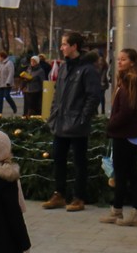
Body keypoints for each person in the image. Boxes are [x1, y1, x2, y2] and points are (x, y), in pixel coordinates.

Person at [43, 32, 101, 212]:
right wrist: (53, 113)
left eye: (64, 44)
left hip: (77, 123)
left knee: (79, 161)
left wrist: (83, 118)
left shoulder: (87, 69)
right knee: (58, 159)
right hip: (60, 122)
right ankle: (59, 193)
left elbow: (93, 96)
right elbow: (57, 94)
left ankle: (78, 197)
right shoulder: (63, 68)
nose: (61, 48)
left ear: (74, 46)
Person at [102, 48, 137, 227]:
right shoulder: (126, 81)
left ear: (132, 62)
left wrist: (110, 125)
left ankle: (136, 212)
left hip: (126, 134)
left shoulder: (131, 82)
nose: (120, 62)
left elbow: (126, 111)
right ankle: (117, 210)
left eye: (123, 59)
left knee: (128, 174)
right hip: (125, 133)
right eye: (119, 59)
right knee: (123, 174)